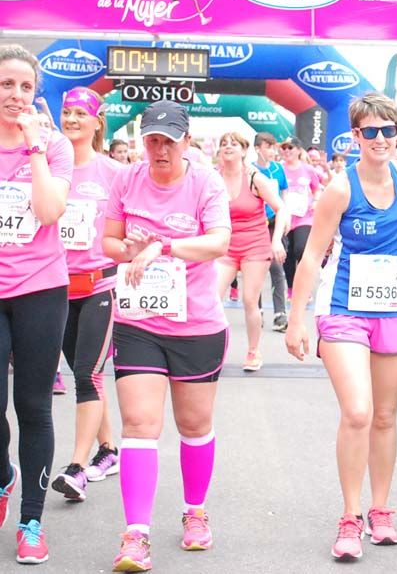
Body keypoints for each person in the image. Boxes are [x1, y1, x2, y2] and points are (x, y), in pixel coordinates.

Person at [102, 100, 231, 572]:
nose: (159, 149)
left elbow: (218, 242)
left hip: (196, 323)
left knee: (194, 425)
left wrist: (162, 247)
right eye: (151, 140)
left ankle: (195, 512)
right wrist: (131, 249)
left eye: (168, 141)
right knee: (139, 423)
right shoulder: (126, 179)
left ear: (186, 141)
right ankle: (136, 535)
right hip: (139, 321)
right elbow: (108, 242)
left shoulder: (206, 182)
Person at [285, 93, 397, 561]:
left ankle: (381, 509)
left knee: (384, 415)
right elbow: (313, 254)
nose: (379, 139)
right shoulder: (341, 188)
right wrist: (297, 318)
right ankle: (350, 514)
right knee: (358, 411)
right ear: (355, 137)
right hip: (343, 308)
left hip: (393, 309)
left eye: (387, 130)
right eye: (369, 131)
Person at [0, 45, 72, 564]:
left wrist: (34, 150)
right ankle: (4, 477)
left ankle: (31, 519)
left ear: (36, 94)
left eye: (26, 87)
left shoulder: (54, 145)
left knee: (33, 407)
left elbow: (48, 212)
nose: (16, 95)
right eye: (6, 84)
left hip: (41, 289)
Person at [48, 87, 125, 508]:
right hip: (54, 284)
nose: (73, 119)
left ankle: (76, 468)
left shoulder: (113, 172)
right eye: (67, 112)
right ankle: (109, 449)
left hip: (99, 285)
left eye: (82, 113)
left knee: (87, 373)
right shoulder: (46, 166)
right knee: (84, 375)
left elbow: (133, 218)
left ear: (98, 122)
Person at [215, 132, 288, 371]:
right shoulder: (213, 178)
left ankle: (253, 351)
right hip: (225, 245)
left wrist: (276, 240)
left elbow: (281, 209)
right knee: (212, 297)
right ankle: (214, 349)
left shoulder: (255, 178)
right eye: (223, 144)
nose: (228, 147)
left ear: (244, 151)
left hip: (255, 244)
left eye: (233, 144)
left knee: (249, 299)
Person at [251, 132, 290, 332]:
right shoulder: (250, 170)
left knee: (276, 266)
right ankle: (256, 310)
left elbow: (284, 193)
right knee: (256, 268)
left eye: (274, 148)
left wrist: (287, 216)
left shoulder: (278, 169)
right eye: (269, 147)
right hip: (255, 224)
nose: (273, 152)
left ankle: (280, 313)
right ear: (258, 148)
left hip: (276, 221)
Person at [279, 137, 320, 302]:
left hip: (305, 218)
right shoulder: (279, 169)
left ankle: (304, 288)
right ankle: (290, 288)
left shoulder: (308, 169)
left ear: (298, 150)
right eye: (285, 148)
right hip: (285, 218)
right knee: (287, 255)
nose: (287, 151)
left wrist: (316, 200)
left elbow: (317, 188)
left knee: (301, 249)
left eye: (290, 148)